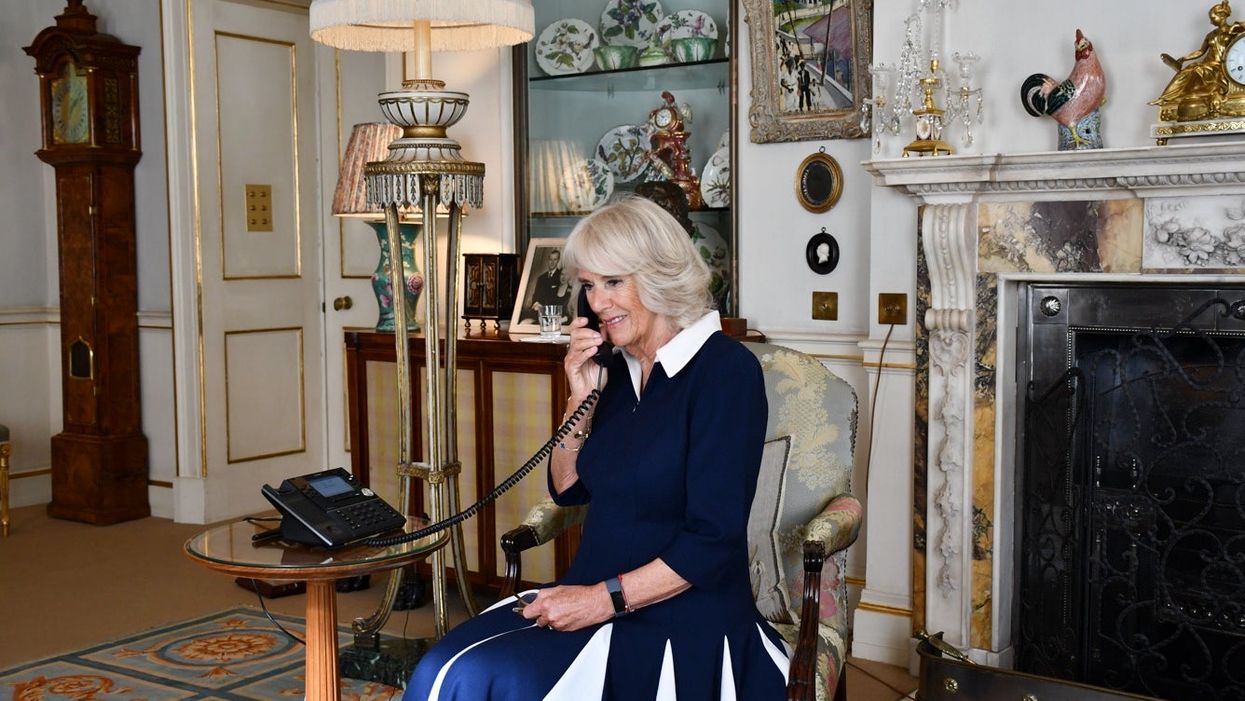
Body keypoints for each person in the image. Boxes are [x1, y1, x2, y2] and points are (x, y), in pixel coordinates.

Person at [404, 197, 786, 700]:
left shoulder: (726, 373)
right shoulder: (620, 371)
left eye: (613, 282)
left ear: (660, 277)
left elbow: (713, 542)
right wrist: (579, 397)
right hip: (589, 591)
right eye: (588, 285)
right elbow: (568, 488)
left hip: (678, 612)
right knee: (440, 668)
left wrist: (602, 601)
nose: (598, 303)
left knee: (488, 679)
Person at [1154, 1, 1245, 114]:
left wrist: (1238, 25)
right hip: (1208, 63)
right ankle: (1166, 98)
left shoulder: (1233, 30)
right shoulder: (1210, 35)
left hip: (1222, 66)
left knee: (1196, 70)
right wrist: (1184, 58)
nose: (1211, 21)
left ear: (1222, 16)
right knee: (1188, 70)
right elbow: (1201, 51)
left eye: (1213, 17)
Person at [523, 249, 569, 323]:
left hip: (550, 312)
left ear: (558, 260)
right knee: (523, 315)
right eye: (550, 259)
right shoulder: (541, 278)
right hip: (538, 310)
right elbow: (535, 295)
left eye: (555, 259)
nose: (552, 262)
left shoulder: (560, 277)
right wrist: (536, 304)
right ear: (548, 260)